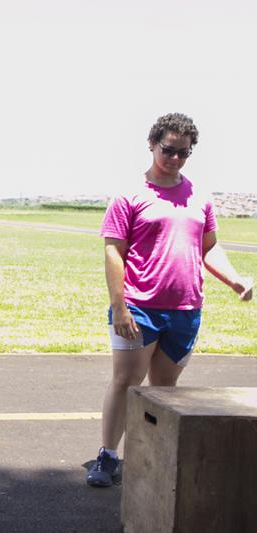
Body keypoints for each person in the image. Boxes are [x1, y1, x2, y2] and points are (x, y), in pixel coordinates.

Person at [86, 113, 253, 487]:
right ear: (152, 144)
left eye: (184, 153)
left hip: (185, 309)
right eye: (169, 150)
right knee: (126, 380)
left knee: (163, 390)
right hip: (139, 306)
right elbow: (113, 252)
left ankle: (153, 457)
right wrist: (119, 306)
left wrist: (235, 280)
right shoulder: (130, 196)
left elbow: (209, 248)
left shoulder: (199, 198)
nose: (175, 158)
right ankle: (108, 456)